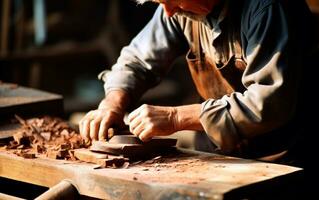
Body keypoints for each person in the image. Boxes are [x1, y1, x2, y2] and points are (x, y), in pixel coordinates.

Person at [79, 0, 317, 167]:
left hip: (286, 155)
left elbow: (269, 103)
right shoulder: (176, 8)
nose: (168, 12)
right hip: (221, 150)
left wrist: (175, 117)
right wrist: (112, 103)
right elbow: (137, 60)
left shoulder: (268, 8)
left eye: (172, 1)